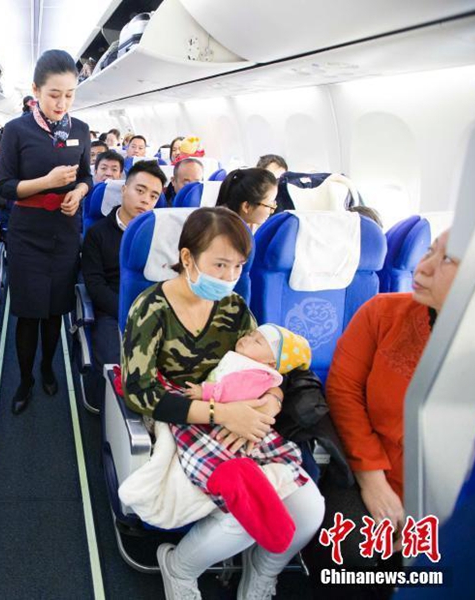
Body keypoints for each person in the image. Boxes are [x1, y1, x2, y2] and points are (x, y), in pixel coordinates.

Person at [121, 207, 324, 600]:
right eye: (219, 264)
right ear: (187, 258)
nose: (230, 277)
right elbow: (140, 391)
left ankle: (261, 573)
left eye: (238, 266)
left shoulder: (233, 308)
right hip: (182, 414)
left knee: (309, 509)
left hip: (242, 412)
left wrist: (270, 403)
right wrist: (219, 413)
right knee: (244, 513)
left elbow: (267, 365)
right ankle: (179, 568)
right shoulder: (151, 308)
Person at [303, 229, 459, 600]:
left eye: (447, 260)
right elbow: (343, 392)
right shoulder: (382, 312)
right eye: (430, 251)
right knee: (345, 551)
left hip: (452, 496)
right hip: (370, 470)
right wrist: (372, 478)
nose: (422, 267)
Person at [0, 49, 92, 415]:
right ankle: (24, 379)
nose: (62, 102)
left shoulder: (80, 130)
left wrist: (79, 192)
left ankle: (48, 367)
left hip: (65, 231)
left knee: (55, 311)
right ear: (36, 90)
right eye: (54, 94)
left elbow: (85, 176)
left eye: (69, 95)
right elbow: (4, 187)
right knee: (29, 312)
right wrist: (45, 182)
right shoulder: (16, 130)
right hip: (27, 233)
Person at [171, 324, 313, 554]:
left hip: (232, 414)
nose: (247, 338)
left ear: (270, 363)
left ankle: (247, 480)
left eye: (256, 341)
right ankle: (246, 479)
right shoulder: (245, 358)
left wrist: (205, 393)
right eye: (249, 335)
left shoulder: (253, 367)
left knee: (222, 447)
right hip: (217, 414)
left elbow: (231, 390)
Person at [82, 160, 166, 406]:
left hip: (156, 311)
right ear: (123, 189)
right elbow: (95, 285)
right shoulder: (97, 233)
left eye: (153, 195)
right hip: (114, 311)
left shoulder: (162, 233)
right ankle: (110, 412)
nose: (145, 200)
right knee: (114, 362)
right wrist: (128, 313)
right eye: (140, 191)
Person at [215, 168, 279, 232]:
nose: (272, 211)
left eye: (274, 203)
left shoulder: (247, 225)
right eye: (269, 204)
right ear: (247, 206)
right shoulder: (228, 234)